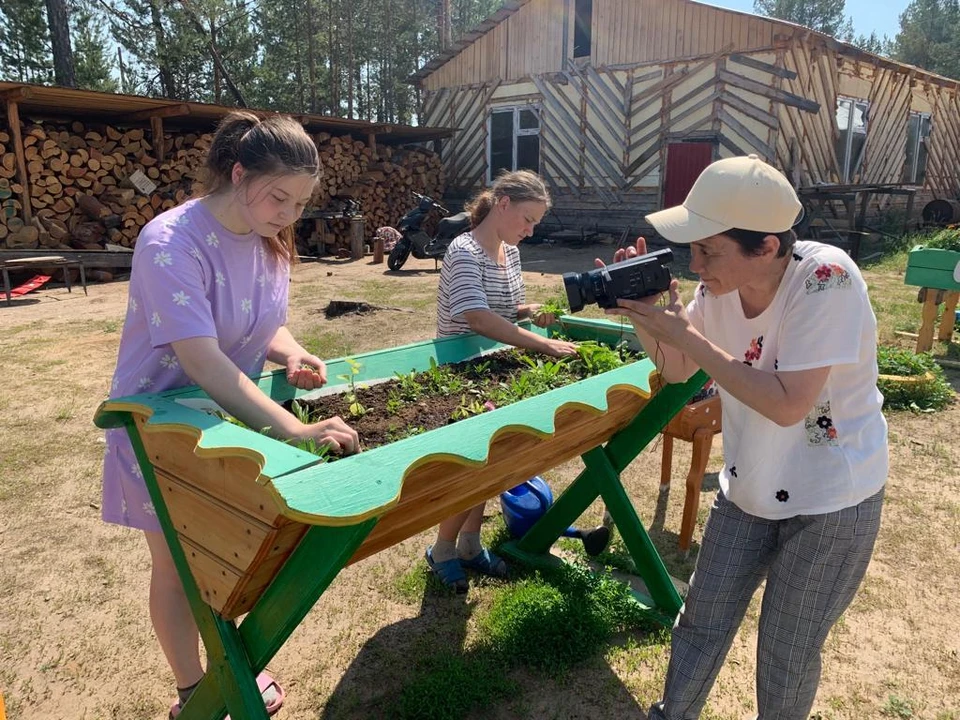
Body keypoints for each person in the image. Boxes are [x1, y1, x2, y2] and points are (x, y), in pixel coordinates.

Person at [606, 155, 888, 719]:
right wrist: (647, 316)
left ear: (766, 247)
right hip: (750, 484)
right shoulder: (717, 291)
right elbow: (680, 368)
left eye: (708, 250)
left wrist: (688, 333)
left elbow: (787, 405)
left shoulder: (825, 278)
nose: (694, 263)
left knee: (786, 650)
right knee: (700, 621)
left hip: (831, 498)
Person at [101, 111, 360, 719]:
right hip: (157, 426)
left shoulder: (267, 240)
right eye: (279, 197)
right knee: (177, 565)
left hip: (226, 419)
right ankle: (194, 690)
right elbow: (204, 362)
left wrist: (292, 350)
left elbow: (261, 321)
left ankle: (226, 662)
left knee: (223, 555)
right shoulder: (171, 242)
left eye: (301, 202)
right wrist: (295, 429)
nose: (289, 215)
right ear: (238, 174)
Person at [427, 170, 578, 592]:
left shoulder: (508, 253)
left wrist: (531, 310)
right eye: (527, 219)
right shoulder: (464, 250)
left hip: (495, 370)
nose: (530, 231)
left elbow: (506, 309)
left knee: (493, 463)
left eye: (536, 224)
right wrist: (542, 345)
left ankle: (471, 545)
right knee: (468, 468)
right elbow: (476, 316)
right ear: (503, 204)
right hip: (459, 374)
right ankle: (442, 549)